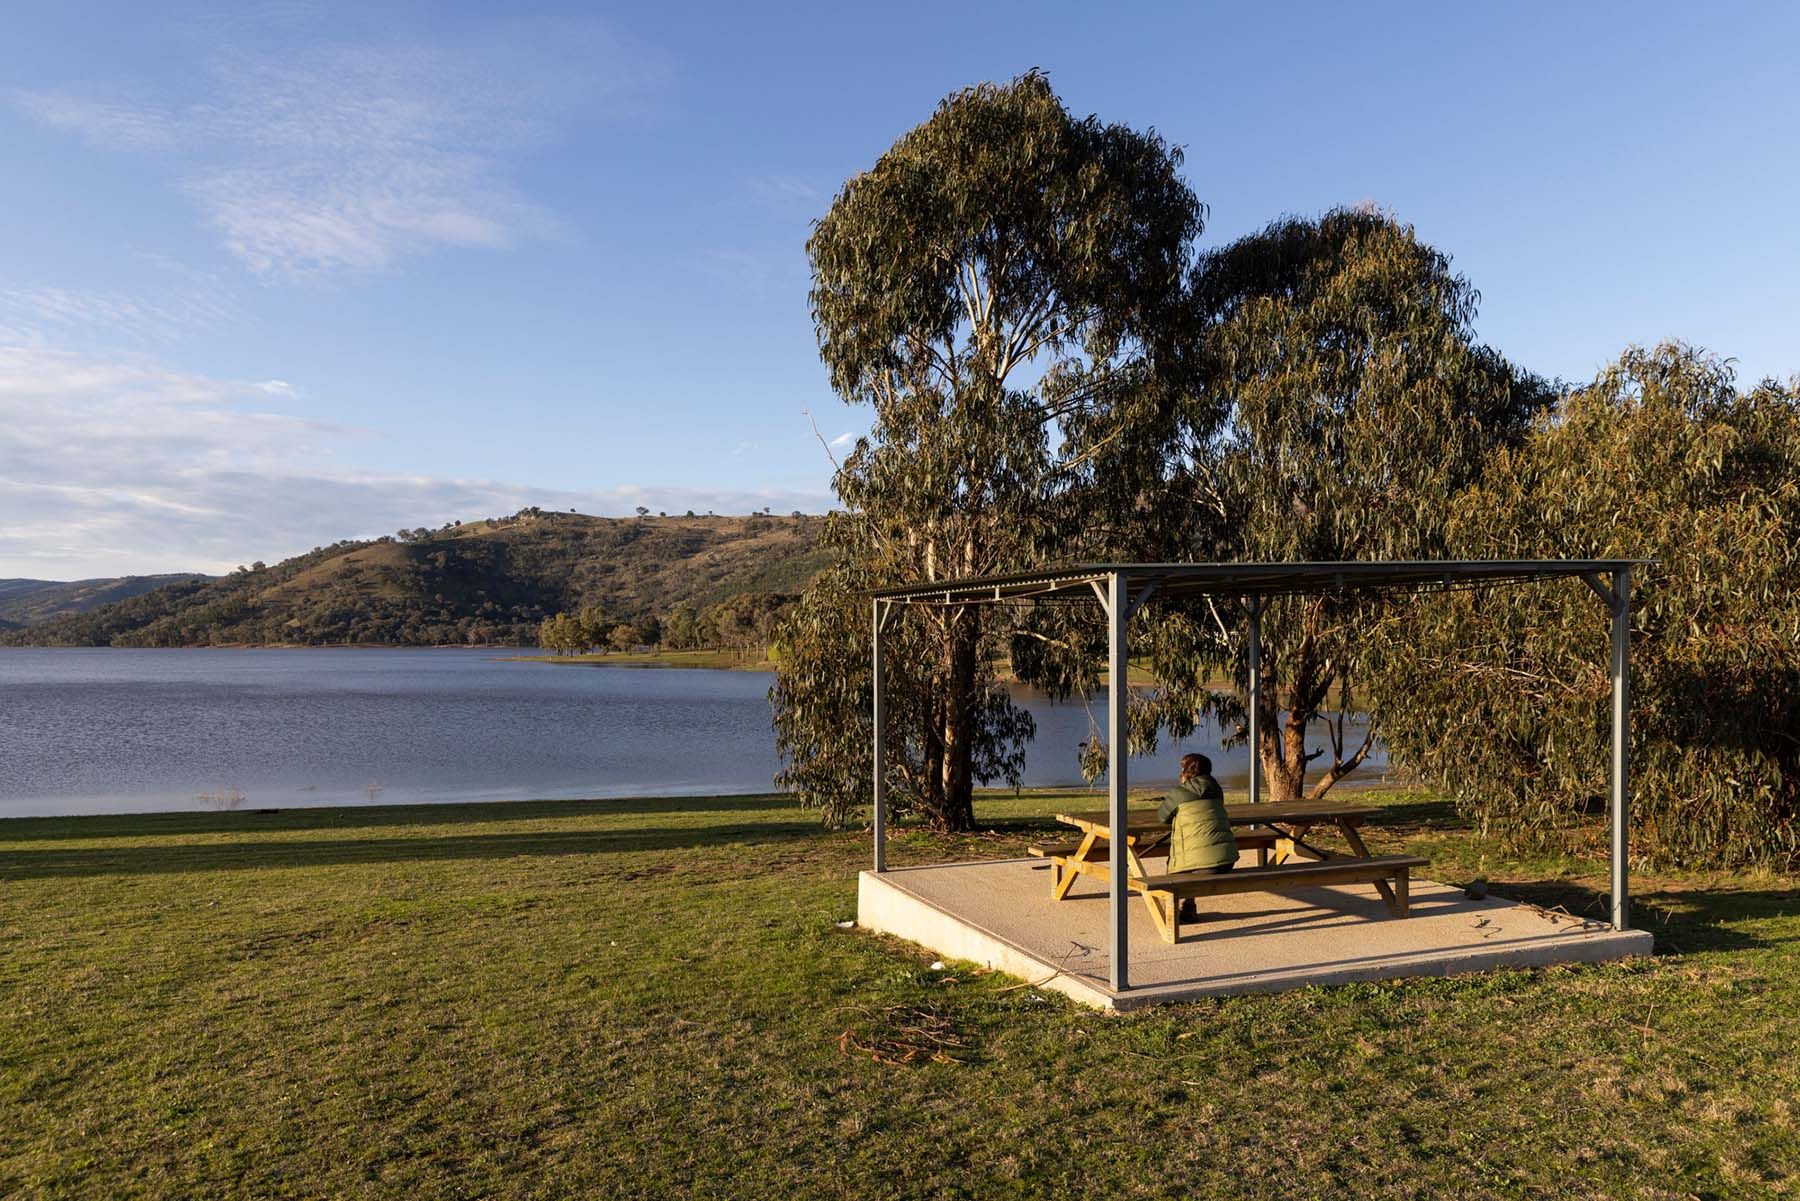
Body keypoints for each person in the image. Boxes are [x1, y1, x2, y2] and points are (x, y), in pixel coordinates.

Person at [1157, 752, 1239, 920]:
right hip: (1226, 862)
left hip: (1202, 866)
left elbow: (1162, 817)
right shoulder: (1216, 789)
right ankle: (1189, 907)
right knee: (1194, 855)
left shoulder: (1180, 793)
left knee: (1177, 862)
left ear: (1187, 771)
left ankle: (1176, 913)